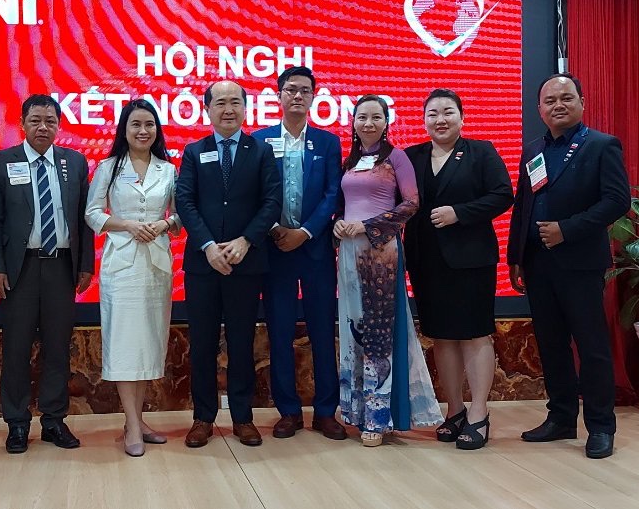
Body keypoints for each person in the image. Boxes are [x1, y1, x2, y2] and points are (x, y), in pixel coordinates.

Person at [507, 73, 629, 459]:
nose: (558, 105)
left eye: (566, 98)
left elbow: (617, 201)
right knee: (551, 345)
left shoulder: (601, 145)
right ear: (539, 109)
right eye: (550, 101)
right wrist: (515, 257)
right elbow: (524, 205)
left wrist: (567, 229)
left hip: (580, 263)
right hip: (538, 263)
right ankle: (561, 418)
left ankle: (601, 426)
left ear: (581, 102)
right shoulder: (533, 150)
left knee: (591, 347)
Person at [0, 94, 95, 453]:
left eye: (50, 121)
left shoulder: (74, 162)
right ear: (22, 124)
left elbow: (83, 218)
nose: (43, 127)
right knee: (16, 348)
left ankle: (54, 420)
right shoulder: (1, 162)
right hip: (20, 269)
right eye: (35, 120)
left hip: (62, 266)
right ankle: (17, 423)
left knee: (58, 347)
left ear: (59, 125)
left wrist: (86, 264)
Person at [403, 89, 513, 450]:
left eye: (448, 112)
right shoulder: (411, 157)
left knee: (475, 334)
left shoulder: (481, 151)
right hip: (426, 260)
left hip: (471, 259)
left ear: (462, 117)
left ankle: (479, 412)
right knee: (442, 335)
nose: (440, 119)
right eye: (432, 113)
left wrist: (460, 213)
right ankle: (454, 409)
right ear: (424, 120)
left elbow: (503, 194)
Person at [175, 80, 282, 448]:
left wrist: (245, 240)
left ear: (245, 109)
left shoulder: (261, 151)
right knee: (202, 344)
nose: (228, 110)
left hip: (245, 263)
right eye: (220, 103)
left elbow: (272, 201)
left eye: (235, 102)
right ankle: (203, 417)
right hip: (202, 265)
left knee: (241, 342)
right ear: (207, 109)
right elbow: (185, 201)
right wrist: (207, 246)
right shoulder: (194, 151)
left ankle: (242, 417)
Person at [334, 94, 443, 447]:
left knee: (379, 333)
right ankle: (355, 410)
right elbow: (344, 205)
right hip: (348, 252)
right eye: (362, 117)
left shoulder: (396, 158)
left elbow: (411, 204)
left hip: (381, 253)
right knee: (353, 327)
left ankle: (379, 418)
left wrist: (367, 226)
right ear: (353, 122)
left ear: (386, 122)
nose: (368, 123)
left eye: (376, 117)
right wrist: (338, 222)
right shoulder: (350, 160)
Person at [251, 66, 345, 440]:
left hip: (315, 250)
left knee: (323, 331)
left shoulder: (327, 142)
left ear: (313, 97)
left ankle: (325, 412)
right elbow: (257, 194)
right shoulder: (259, 141)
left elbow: (332, 194)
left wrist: (304, 232)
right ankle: (288, 411)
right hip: (275, 250)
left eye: (305, 90)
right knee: (280, 332)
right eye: (291, 89)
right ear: (278, 95)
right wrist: (276, 230)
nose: (297, 96)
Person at [84, 99, 179, 457]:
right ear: (124, 130)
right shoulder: (109, 167)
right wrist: (125, 224)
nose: (143, 131)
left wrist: (163, 225)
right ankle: (133, 426)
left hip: (156, 266)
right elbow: (92, 213)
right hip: (121, 266)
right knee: (125, 344)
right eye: (136, 124)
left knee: (147, 344)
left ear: (157, 130)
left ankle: (136, 421)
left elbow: (180, 216)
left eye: (149, 125)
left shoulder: (168, 170)